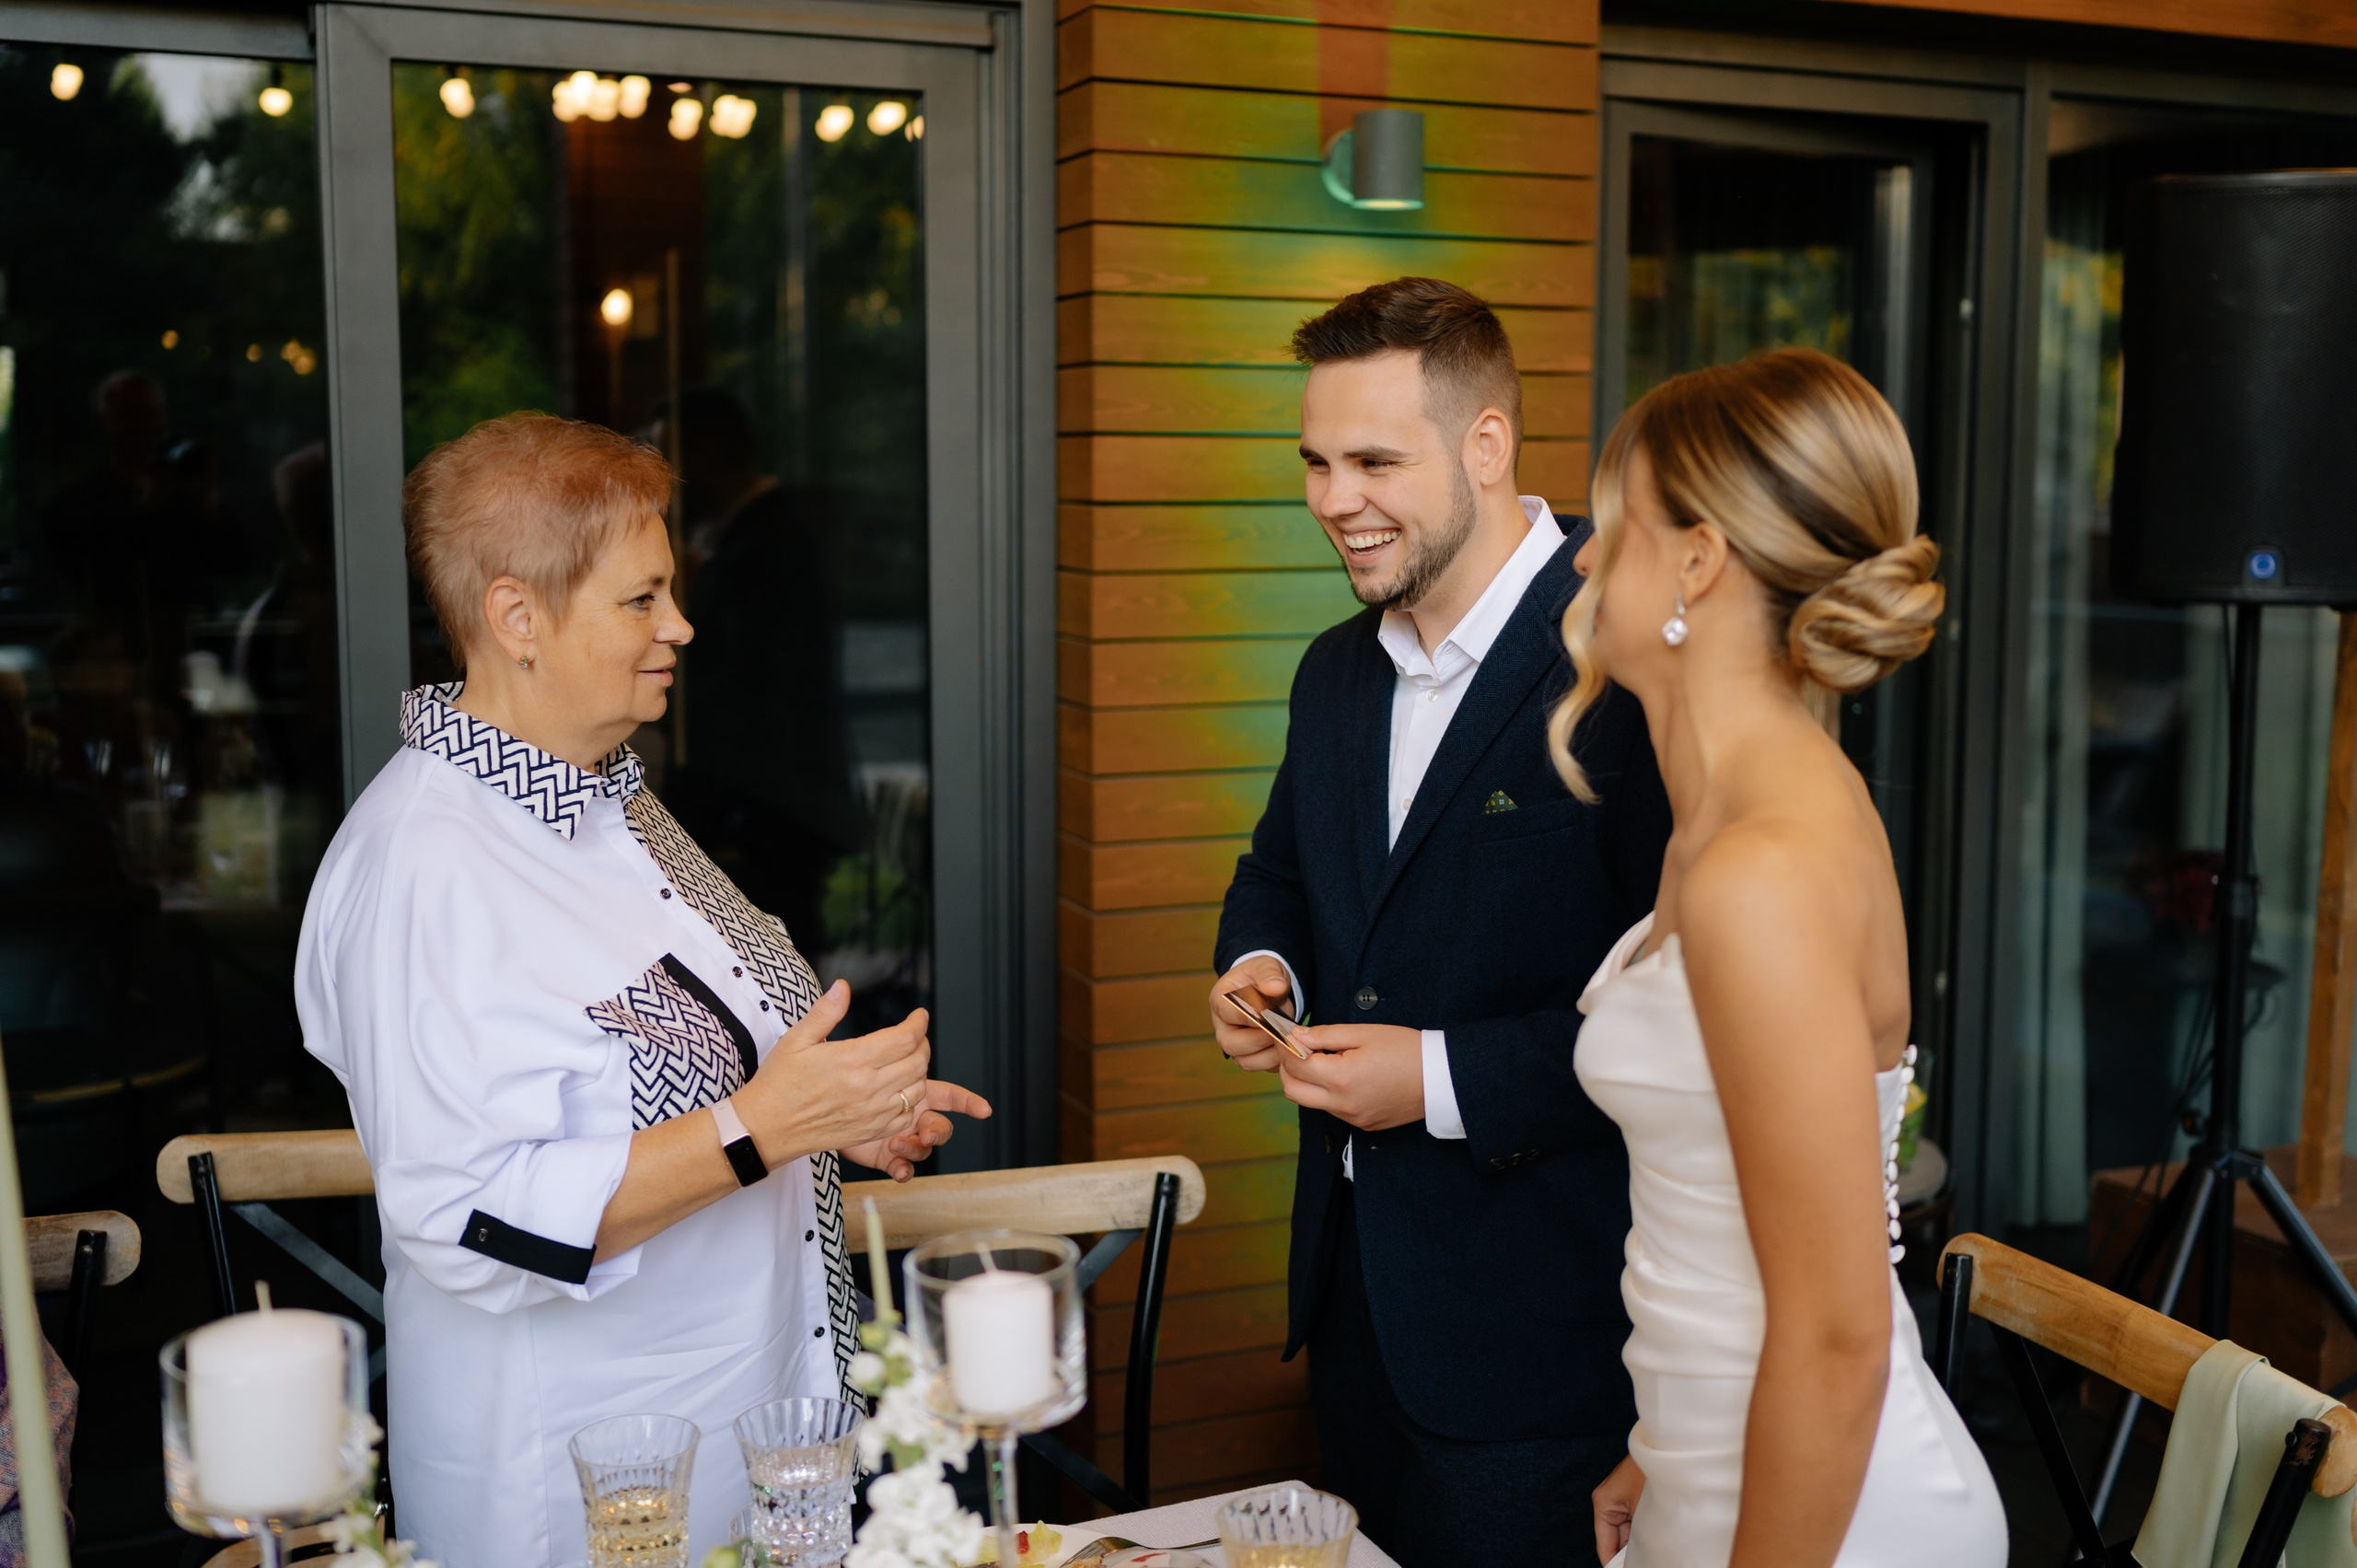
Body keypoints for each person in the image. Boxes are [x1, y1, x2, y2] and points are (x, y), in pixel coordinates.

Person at [296, 413, 989, 1568]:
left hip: (740, 1438)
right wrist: (764, 1125)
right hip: (574, 1491)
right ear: (516, 616)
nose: (680, 625)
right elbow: (471, 1217)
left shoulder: (611, 796)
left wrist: (834, 1114)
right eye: (640, 599)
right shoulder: (427, 868)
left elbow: (693, 1078)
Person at [1209, 278, 1672, 1564]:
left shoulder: (1626, 655)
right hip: (1356, 1311)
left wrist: (1440, 1075)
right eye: (1315, 461)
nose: (1332, 499)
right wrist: (1257, 962)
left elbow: (1689, 1016)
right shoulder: (1332, 669)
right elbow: (1281, 873)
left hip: (1551, 1335)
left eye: (1372, 460)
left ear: (1486, 445)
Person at [1568, 349, 2004, 1566]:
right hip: (1719, 1460)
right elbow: (1719, 1217)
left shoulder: (1760, 866)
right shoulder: (1717, 819)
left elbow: (1835, 1330)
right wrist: (1662, 1443)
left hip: (1842, 1514)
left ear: (1698, 561)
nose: (1585, 557)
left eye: (1614, 525)